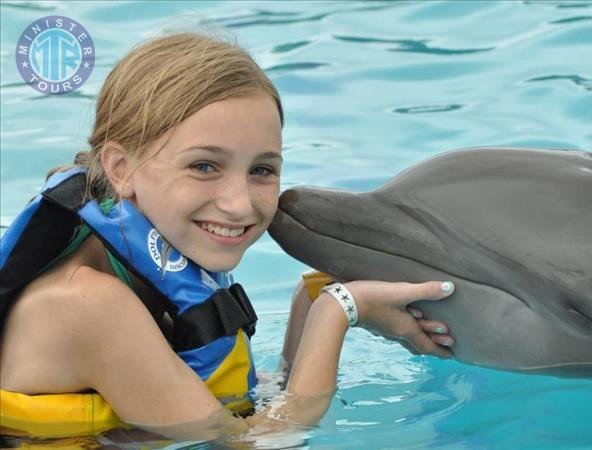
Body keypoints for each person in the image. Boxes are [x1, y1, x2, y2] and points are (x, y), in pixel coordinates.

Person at [0, 32, 455, 441]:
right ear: (121, 168)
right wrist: (340, 312)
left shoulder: (132, 259)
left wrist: (313, 300)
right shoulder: (87, 304)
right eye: (204, 166)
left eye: (262, 170)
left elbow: (255, 404)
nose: (239, 204)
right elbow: (256, 441)